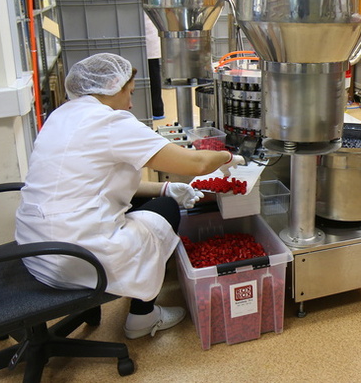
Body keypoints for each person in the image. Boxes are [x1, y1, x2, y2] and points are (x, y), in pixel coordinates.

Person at [15, 53, 244, 339]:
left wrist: (164, 187)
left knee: (159, 199)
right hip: (75, 258)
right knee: (167, 209)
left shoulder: (61, 116)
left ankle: (140, 287)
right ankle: (143, 318)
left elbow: (98, 183)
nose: (131, 103)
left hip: (34, 249)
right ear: (113, 85)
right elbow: (196, 164)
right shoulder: (110, 123)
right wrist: (228, 156)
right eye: (130, 93)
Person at [101, 0, 166, 120]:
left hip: (148, 24)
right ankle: (150, 110)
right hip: (140, 24)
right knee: (147, 70)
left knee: (151, 71)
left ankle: (156, 112)